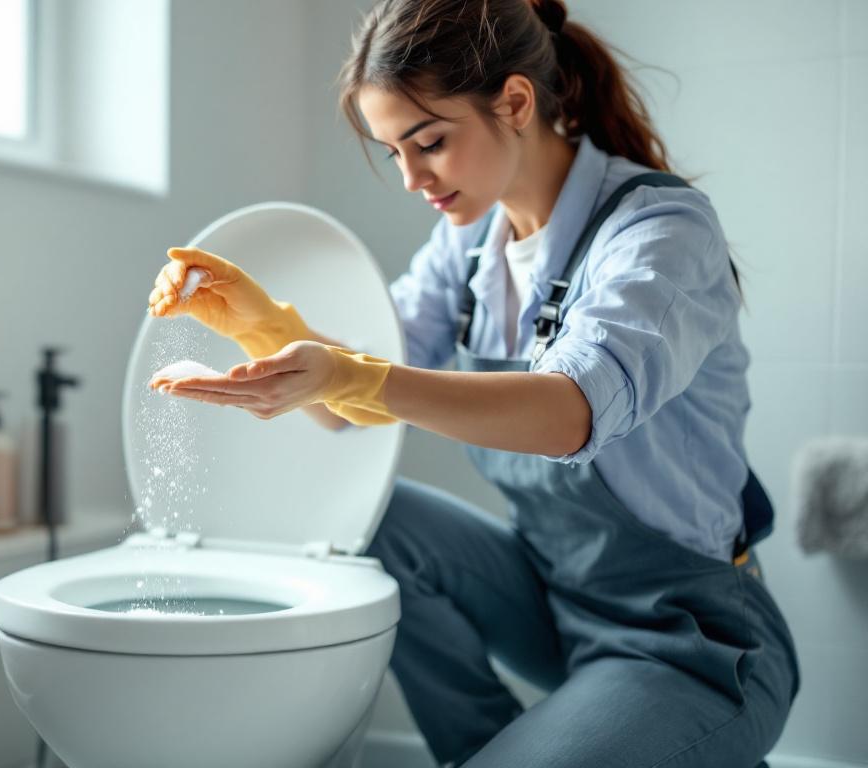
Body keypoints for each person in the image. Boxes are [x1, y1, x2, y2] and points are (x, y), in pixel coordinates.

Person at [144, 0, 800, 765]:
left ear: (516, 102)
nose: (411, 178)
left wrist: (351, 376)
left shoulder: (658, 232)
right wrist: (259, 323)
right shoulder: (469, 248)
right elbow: (344, 410)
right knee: (371, 520)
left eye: (428, 143)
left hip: (691, 640)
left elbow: (569, 414)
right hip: (558, 603)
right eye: (394, 152)